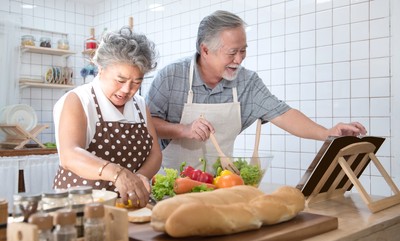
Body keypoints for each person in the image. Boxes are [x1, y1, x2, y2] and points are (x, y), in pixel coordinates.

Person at [146, 10, 367, 172]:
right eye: (232, 52)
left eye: (243, 51)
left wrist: (327, 133)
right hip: (171, 181)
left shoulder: (247, 82)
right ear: (205, 50)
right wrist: (183, 130)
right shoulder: (171, 76)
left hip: (222, 182)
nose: (239, 59)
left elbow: (283, 113)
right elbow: (147, 123)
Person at [53, 27, 161, 208]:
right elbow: (69, 155)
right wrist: (117, 173)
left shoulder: (140, 104)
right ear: (101, 69)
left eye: (136, 82)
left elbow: (155, 153)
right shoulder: (79, 100)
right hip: (80, 207)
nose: (127, 90)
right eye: (120, 80)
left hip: (128, 206)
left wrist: (140, 177)